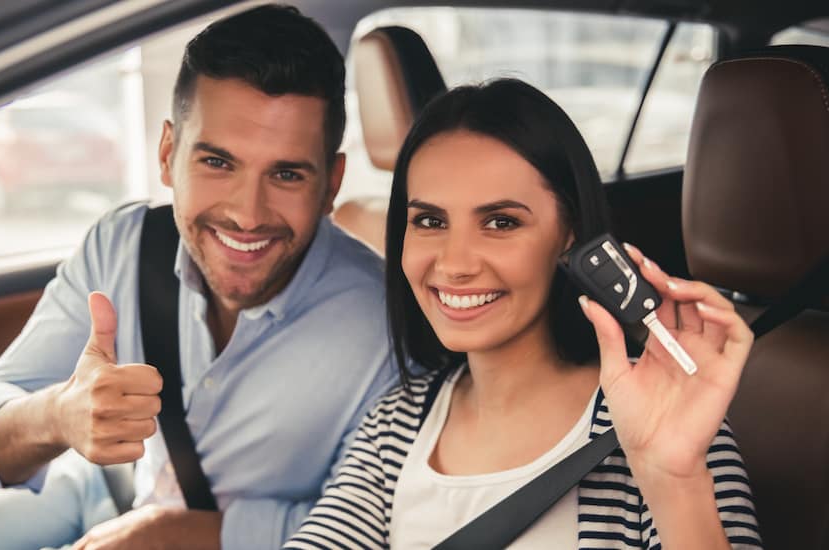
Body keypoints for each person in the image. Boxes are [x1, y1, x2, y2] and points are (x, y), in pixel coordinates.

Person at [0, 5, 398, 549]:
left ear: (331, 184)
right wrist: (60, 415)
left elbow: (373, 529)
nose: (248, 214)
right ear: (168, 154)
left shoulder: (382, 331)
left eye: (287, 174)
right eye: (218, 163)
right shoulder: (125, 247)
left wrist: (181, 533)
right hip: (98, 490)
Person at [284, 79, 763, 549]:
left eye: (500, 222)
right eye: (430, 221)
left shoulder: (664, 415)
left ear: (569, 236)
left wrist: (673, 478)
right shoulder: (395, 426)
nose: (454, 264)